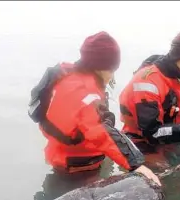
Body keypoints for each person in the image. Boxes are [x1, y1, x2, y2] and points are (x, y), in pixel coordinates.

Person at [28, 31, 161, 188]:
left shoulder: (70, 76)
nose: (112, 77)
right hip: (76, 169)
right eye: (111, 70)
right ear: (98, 67)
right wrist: (136, 164)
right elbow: (101, 131)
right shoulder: (85, 92)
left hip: (62, 156)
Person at [118, 30, 180, 154]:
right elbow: (151, 133)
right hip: (140, 143)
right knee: (158, 169)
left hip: (173, 137)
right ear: (177, 56)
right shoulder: (147, 82)